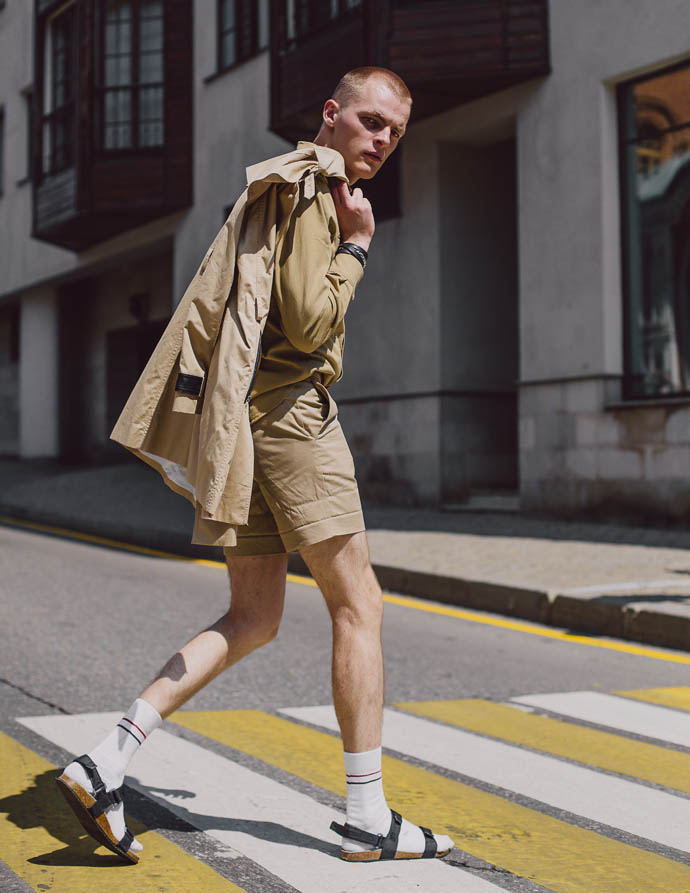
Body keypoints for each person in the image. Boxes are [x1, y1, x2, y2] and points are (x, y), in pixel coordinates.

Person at [56, 66, 454, 865]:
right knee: (359, 605)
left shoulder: (288, 186)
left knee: (254, 617)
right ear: (331, 113)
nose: (381, 140)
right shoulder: (319, 191)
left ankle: (107, 759)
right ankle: (368, 814)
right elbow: (308, 325)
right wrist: (358, 247)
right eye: (371, 121)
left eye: (396, 132)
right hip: (294, 420)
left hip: (248, 424)